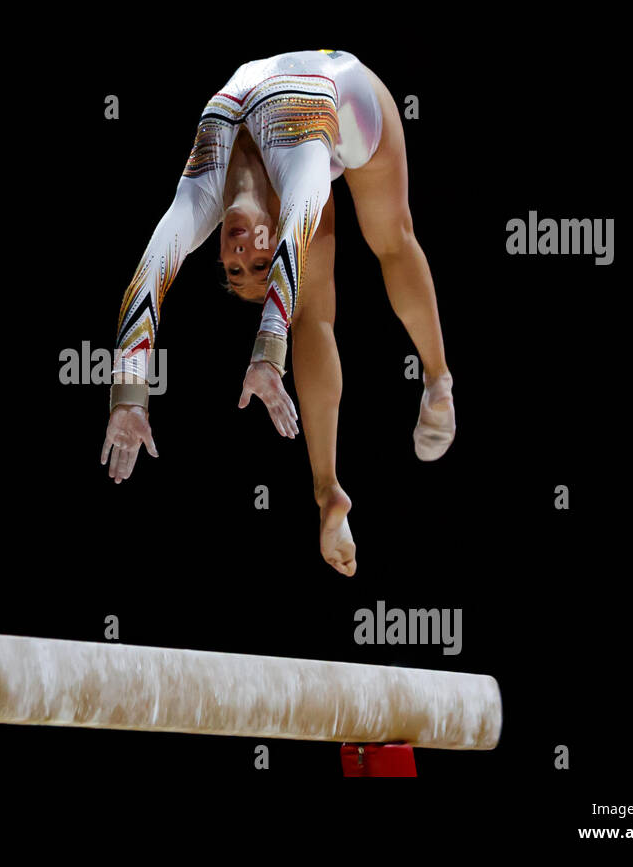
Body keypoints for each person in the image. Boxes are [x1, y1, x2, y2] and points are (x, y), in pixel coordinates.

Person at [101, 49, 454, 576]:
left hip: (317, 99)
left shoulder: (201, 191)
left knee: (371, 250)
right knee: (347, 279)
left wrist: (129, 396)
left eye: (236, 269)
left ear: (217, 254)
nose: (244, 257)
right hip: (347, 107)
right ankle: (331, 487)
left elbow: (149, 273)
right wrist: (270, 349)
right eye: (259, 263)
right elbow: (296, 232)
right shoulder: (299, 176)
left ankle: (437, 380)